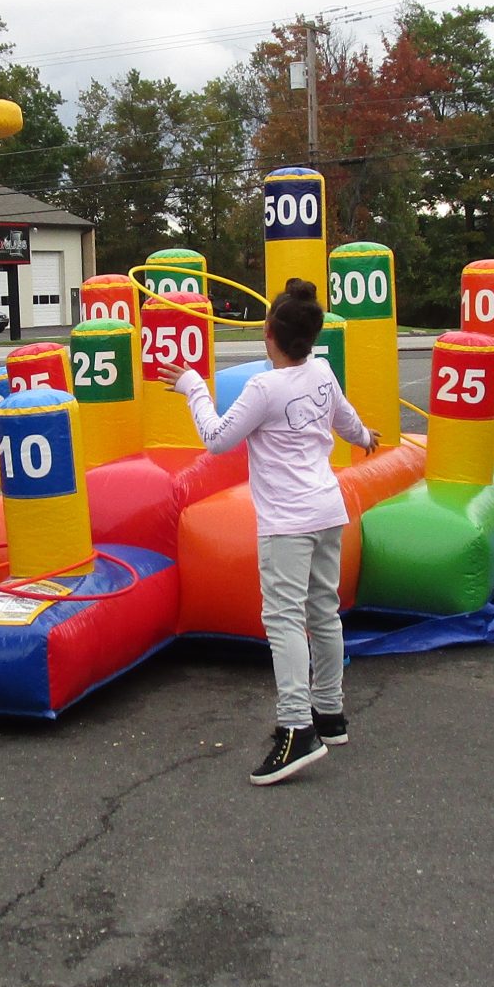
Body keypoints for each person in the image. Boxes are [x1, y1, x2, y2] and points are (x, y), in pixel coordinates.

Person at [174, 278, 377, 786]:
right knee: (322, 611)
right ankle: (329, 714)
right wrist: (367, 438)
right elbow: (347, 423)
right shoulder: (323, 372)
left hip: (288, 522)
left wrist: (192, 387)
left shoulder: (264, 389)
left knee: (285, 621)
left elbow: (217, 439)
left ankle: (297, 729)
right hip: (328, 511)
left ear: (269, 334)